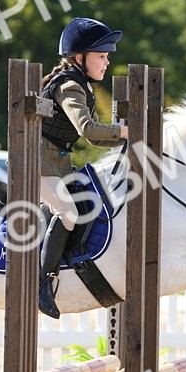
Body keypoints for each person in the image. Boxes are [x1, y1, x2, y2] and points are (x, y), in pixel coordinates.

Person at [37, 17, 129, 318]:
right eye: (101, 56)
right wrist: (125, 132)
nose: (106, 62)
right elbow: (89, 130)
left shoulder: (79, 83)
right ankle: (42, 282)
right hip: (38, 164)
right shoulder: (70, 86)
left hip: (56, 163)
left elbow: (97, 140)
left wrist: (123, 140)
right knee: (70, 212)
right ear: (80, 58)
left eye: (106, 56)